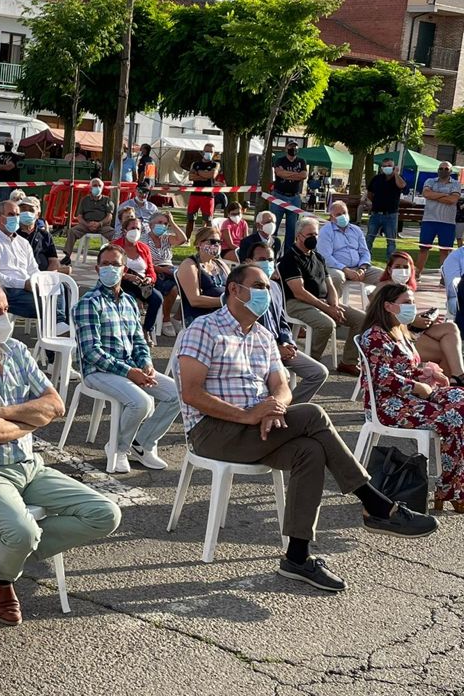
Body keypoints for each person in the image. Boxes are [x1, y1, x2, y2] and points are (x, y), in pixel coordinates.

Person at [178, 263, 438, 591]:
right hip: (213, 431)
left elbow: (282, 384)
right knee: (313, 414)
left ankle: (297, 557)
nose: (265, 293)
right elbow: (191, 392)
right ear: (234, 289)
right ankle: (376, 505)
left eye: (266, 288)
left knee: (310, 451)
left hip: (258, 427)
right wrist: (247, 415)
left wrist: (276, 407)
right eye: (258, 286)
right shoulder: (204, 329)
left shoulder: (261, 335)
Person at [0, 277, 121, 625]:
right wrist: (28, 421)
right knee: (21, 531)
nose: (6, 317)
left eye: (6, 309)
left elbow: (55, 405)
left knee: (106, 514)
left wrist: (1, 412)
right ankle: (3, 578)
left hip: (27, 466)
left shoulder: (16, 351)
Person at [76, 244, 179, 472]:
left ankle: (142, 444)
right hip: (98, 371)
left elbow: (138, 340)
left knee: (176, 394)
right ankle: (118, 448)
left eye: (116, 264)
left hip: (129, 367)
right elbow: (91, 352)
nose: (110, 268)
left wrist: (146, 363)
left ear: (124, 270)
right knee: (142, 402)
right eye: (105, 264)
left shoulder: (129, 302)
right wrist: (131, 373)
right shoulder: (89, 302)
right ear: (97, 268)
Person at [361, 284, 464, 510]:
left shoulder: (400, 330)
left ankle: (452, 486)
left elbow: (405, 368)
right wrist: (418, 387)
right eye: (406, 302)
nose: (412, 307)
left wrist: (430, 375)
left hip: (410, 398)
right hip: (388, 405)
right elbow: (382, 377)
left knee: (461, 400)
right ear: (388, 306)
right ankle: (451, 490)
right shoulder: (376, 335)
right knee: (455, 417)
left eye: (412, 301)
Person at [279, 217, 365, 377]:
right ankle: (310, 365)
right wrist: (327, 309)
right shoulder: (290, 259)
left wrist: (334, 305)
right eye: (309, 234)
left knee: (361, 319)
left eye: (316, 234)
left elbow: (330, 284)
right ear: (298, 236)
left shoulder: (318, 257)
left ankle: (348, 362)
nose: (314, 238)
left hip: (321, 302)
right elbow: (299, 292)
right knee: (326, 324)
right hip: (296, 303)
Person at [245, 243, 328, 403]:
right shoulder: (245, 292)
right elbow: (246, 330)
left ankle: (288, 409)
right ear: (249, 261)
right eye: (261, 259)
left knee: (319, 372)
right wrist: (275, 350)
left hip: (280, 347)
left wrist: (288, 343)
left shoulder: (275, 287)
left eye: (270, 259)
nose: (267, 263)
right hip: (258, 350)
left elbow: (283, 323)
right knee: (285, 376)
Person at [373, 251, 464, 381]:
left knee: (450, 328)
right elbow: (380, 319)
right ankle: (445, 386)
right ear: (389, 269)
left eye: (406, 267)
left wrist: (422, 318)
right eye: (398, 267)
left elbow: (402, 313)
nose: (402, 270)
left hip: (410, 330)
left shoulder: (406, 288)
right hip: (394, 335)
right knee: (447, 351)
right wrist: (413, 321)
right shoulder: (383, 289)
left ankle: (458, 375)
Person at [0, 200, 43, 319]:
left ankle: (59, 322)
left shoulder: (23, 243)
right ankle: (57, 323)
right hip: (7, 290)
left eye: (17, 215)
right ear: (0, 218)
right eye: (11, 214)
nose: (16, 218)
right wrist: (23, 284)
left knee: (62, 290)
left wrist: (39, 282)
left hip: (27, 288)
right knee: (44, 304)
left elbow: (34, 269)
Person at [317, 200, 384, 298]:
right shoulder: (326, 231)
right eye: (338, 214)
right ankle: (333, 305)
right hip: (335, 268)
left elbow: (364, 252)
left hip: (358, 268)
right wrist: (345, 269)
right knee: (337, 277)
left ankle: (375, 306)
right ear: (331, 217)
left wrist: (362, 268)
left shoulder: (356, 230)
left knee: (384, 276)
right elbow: (326, 257)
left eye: (344, 213)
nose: (342, 216)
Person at [112, 216, 161, 340]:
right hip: (122, 283)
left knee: (157, 298)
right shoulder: (115, 246)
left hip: (141, 283)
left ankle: (147, 329)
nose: (135, 231)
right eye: (132, 228)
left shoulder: (144, 248)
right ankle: (131, 332)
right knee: (129, 299)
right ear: (124, 231)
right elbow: (110, 268)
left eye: (138, 229)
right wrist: (126, 275)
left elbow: (151, 271)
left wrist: (149, 279)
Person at [142, 211, 185, 336]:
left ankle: (177, 318)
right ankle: (165, 319)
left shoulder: (166, 238)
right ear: (151, 225)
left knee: (192, 285)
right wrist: (162, 270)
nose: (163, 225)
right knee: (173, 289)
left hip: (171, 270)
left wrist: (172, 222)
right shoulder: (144, 239)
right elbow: (144, 263)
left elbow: (183, 239)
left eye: (165, 223)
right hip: (154, 272)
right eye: (159, 223)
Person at [177, 225, 228, 326]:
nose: (217, 245)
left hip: (224, 314)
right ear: (200, 243)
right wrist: (225, 302)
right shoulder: (190, 265)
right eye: (213, 241)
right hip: (203, 318)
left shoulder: (220, 264)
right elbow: (194, 300)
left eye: (219, 242)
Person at [417, 162, 461, 276]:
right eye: (441, 168)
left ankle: (444, 277)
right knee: (423, 248)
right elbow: (426, 194)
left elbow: (453, 200)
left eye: (446, 169)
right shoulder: (430, 181)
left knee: (445, 250)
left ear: (450, 171)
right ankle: (417, 274)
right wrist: (446, 195)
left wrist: (434, 195)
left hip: (447, 222)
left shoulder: (456, 184)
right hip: (429, 220)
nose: (443, 170)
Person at [60, 178, 114, 266]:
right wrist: (87, 224)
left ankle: (111, 258)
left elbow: (109, 216)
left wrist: (99, 224)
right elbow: (79, 216)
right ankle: (67, 256)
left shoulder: (107, 200)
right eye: (95, 185)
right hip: (86, 225)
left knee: (115, 234)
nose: (97, 188)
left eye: (99, 186)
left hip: (102, 226)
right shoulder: (84, 200)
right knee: (72, 231)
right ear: (90, 188)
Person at [366, 158, 406, 260]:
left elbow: (402, 185)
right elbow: (370, 192)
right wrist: (373, 203)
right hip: (376, 214)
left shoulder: (398, 178)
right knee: (369, 238)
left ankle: (391, 262)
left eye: (389, 166)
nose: (386, 168)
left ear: (393, 167)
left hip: (391, 214)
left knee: (391, 241)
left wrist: (396, 174)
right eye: (384, 166)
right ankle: (366, 259)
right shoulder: (377, 179)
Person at [271, 141, 308, 247]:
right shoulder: (280, 160)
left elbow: (304, 175)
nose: (294, 149)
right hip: (279, 196)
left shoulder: (301, 161)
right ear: (286, 149)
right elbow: (279, 173)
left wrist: (287, 175)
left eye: (296, 147)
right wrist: (296, 174)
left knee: (292, 230)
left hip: (294, 197)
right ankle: (273, 251)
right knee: (274, 226)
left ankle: (288, 255)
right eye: (291, 147)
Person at [17, 196, 65, 274]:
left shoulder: (45, 236)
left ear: (38, 214)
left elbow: (54, 261)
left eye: (31, 210)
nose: (26, 212)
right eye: (23, 209)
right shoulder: (12, 234)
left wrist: (46, 276)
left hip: (41, 277)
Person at [185, 143, 219, 239]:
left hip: (208, 196)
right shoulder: (195, 164)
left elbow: (212, 175)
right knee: (190, 219)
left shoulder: (215, 164)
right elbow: (190, 177)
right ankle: (187, 239)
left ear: (214, 153)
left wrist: (198, 173)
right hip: (195, 195)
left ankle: (208, 238)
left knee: (208, 220)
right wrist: (204, 176)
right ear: (203, 151)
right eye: (206, 151)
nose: (208, 153)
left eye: (211, 152)